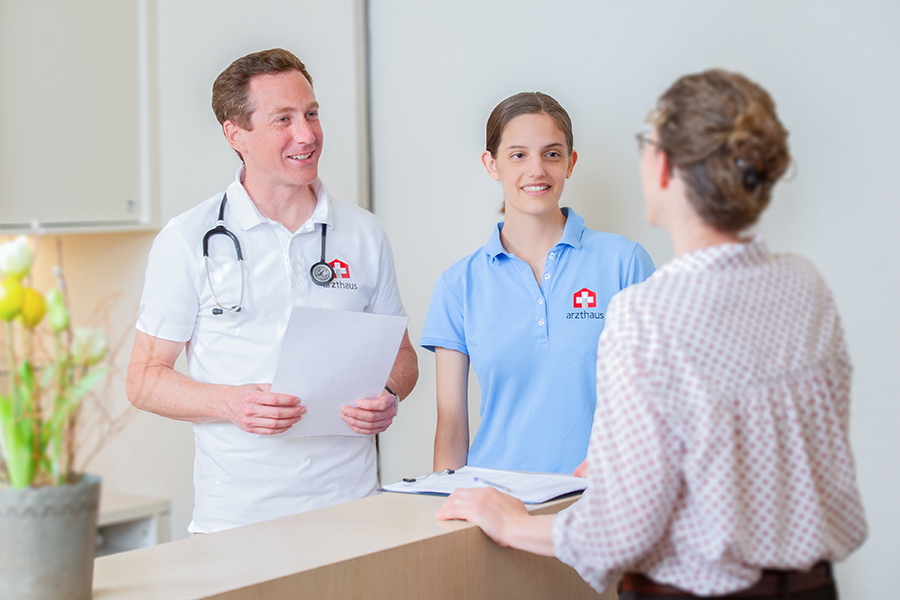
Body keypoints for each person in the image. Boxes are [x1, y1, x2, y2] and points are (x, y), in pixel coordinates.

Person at [436, 70, 867, 599]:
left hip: (691, 587)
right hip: (811, 585)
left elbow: (621, 531)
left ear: (663, 167)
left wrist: (510, 522)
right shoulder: (804, 285)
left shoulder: (646, 309)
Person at [126, 48, 418, 534]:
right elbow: (143, 379)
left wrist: (389, 392)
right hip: (240, 522)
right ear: (235, 133)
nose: (306, 134)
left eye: (311, 114)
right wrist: (228, 403)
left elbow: (402, 355)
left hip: (355, 513)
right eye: (283, 119)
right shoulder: (188, 239)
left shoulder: (363, 233)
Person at [421, 92, 655, 475]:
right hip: (494, 507)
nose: (537, 171)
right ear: (491, 163)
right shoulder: (458, 284)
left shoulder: (624, 264)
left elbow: (659, 399)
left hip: (604, 505)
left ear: (570, 162)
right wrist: (446, 515)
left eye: (551, 154)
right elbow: (450, 428)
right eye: (518, 155)